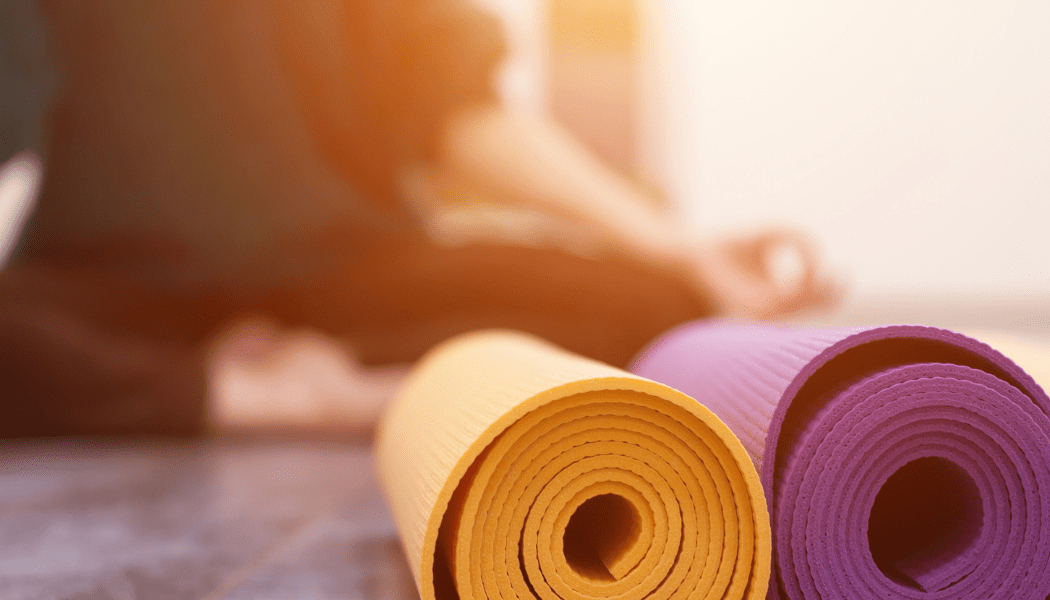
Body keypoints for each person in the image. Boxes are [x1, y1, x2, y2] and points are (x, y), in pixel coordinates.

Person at [0, 0, 836, 437]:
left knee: (653, 303)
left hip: (346, 277)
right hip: (115, 289)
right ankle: (258, 398)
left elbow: (457, 109)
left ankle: (267, 380)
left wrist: (676, 249)